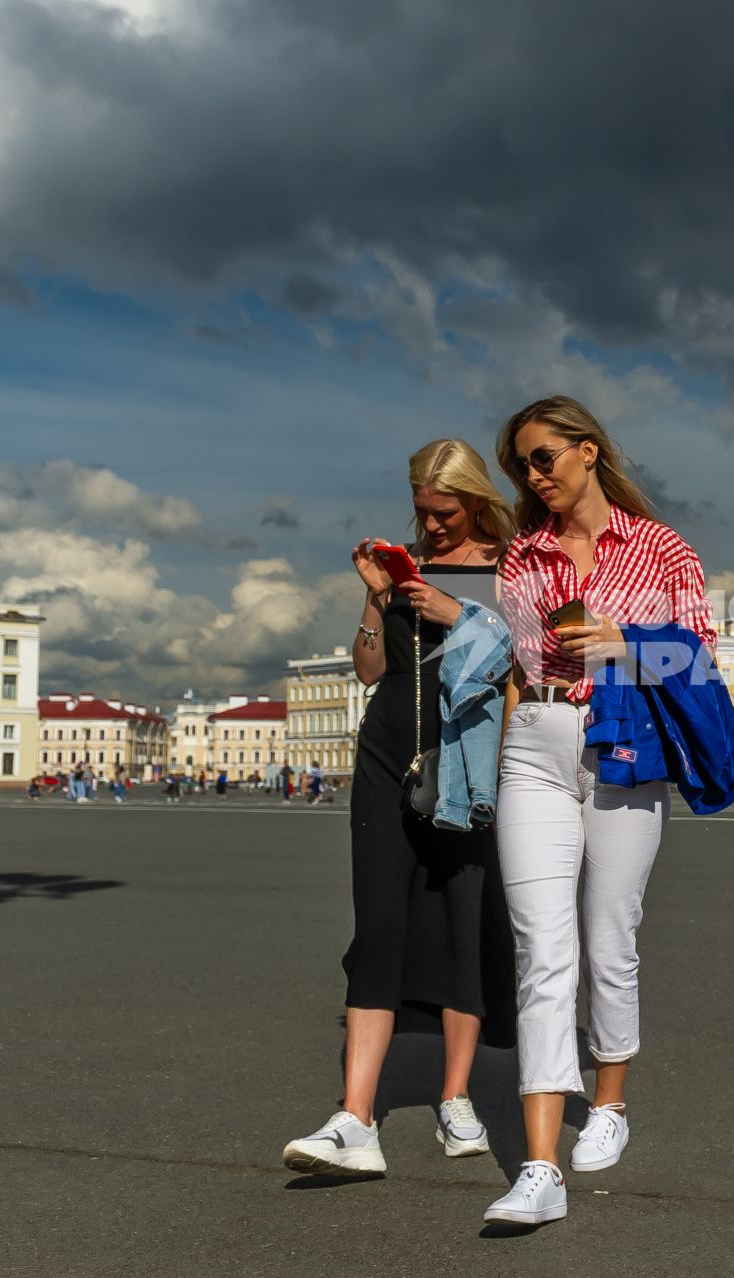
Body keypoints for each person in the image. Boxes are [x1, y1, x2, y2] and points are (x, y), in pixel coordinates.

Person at [485, 394, 723, 1227]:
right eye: (522, 464)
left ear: (588, 451)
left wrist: (626, 640)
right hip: (538, 742)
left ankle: (611, 1101)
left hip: (624, 746)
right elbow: (521, 656)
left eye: (544, 456)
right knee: (540, 950)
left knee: (607, 936)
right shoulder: (524, 554)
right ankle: (540, 1169)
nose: (533, 474)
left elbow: (701, 651)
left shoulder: (663, 548)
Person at [283, 439, 520, 1182]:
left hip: (469, 765)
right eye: (421, 511)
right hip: (389, 754)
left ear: (475, 500)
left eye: (443, 512)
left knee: (460, 922)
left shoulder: (514, 567)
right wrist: (373, 594)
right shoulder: (404, 564)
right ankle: (356, 1120)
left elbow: (527, 661)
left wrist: (458, 613)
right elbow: (370, 668)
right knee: (379, 923)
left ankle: (456, 1098)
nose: (432, 526)